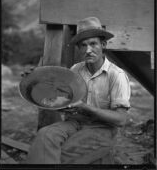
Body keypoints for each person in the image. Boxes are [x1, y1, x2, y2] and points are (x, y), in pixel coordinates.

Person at [25, 17, 131, 164]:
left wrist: (84, 107)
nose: (88, 50)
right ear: (79, 48)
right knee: (44, 135)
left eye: (93, 44)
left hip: (102, 128)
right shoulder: (76, 69)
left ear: (103, 44)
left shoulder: (116, 75)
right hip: (74, 123)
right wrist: (36, 79)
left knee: (64, 154)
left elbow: (121, 119)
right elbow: (62, 99)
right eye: (83, 45)